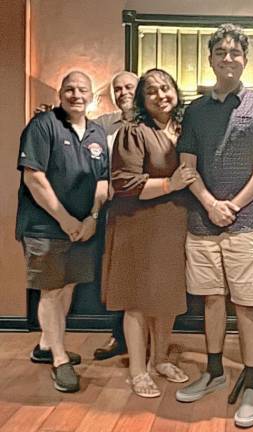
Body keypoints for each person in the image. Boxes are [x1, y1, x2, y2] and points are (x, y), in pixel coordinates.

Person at [175, 23, 253, 428]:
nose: (227, 58)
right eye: (220, 51)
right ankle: (214, 370)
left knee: (248, 304)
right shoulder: (195, 110)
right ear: (210, 58)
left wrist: (233, 206)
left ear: (245, 59)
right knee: (210, 299)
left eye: (235, 52)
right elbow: (186, 165)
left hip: (248, 222)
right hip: (202, 221)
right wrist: (208, 203)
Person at [101, 68, 196, 398]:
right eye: (152, 91)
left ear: (176, 91)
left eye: (166, 88)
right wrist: (171, 184)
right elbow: (124, 183)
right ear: (142, 99)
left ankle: (159, 360)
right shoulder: (133, 131)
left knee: (167, 297)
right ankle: (139, 371)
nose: (161, 95)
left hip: (174, 224)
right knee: (137, 300)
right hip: (138, 224)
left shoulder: (184, 129)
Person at [16, 71, 109, 392]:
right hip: (45, 228)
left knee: (67, 286)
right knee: (51, 291)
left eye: (83, 89)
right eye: (69, 89)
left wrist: (92, 217)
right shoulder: (42, 126)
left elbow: (102, 181)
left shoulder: (97, 132)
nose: (76, 95)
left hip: (83, 229)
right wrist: (66, 219)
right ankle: (59, 359)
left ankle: (46, 344)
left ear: (92, 94)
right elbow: (34, 178)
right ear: (60, 92)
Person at [92, 71, 139, 361]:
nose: (122, 92)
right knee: (115, 274)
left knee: (144, 274)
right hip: (114, 209)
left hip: (150, 205)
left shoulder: (152, 120)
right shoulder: (102, 124)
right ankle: (119, 336)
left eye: (129, 86)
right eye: (117, 88)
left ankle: (148, 340)